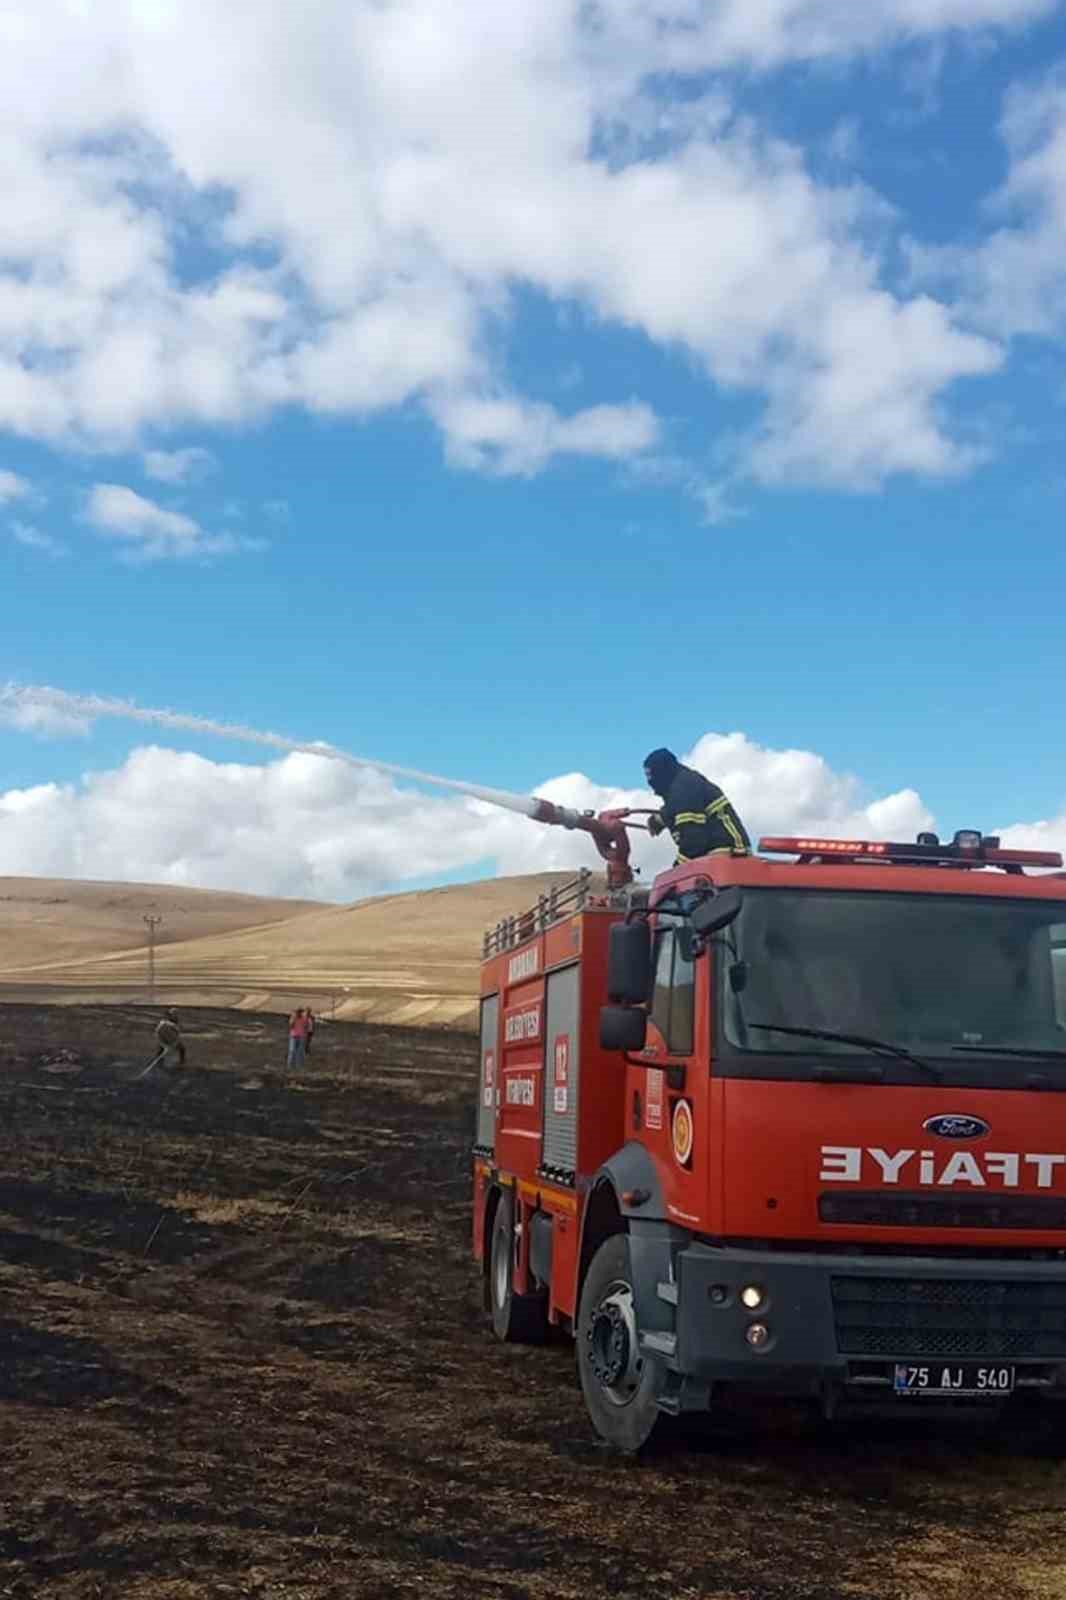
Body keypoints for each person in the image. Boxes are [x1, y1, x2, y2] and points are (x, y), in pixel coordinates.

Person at [643, 747, 751, 864]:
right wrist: (658, 820)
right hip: (718, 850)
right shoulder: (681, 785)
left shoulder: (684, 787)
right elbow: (674, 809)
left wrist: (678, 867)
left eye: (650, 775)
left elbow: (694, 839)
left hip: (730, 851)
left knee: (676, 878)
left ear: (662, 772)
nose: (649, 781)